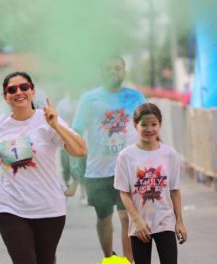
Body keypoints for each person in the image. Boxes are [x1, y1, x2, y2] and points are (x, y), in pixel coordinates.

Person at [0, 72, 86, 264]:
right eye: (12, 89)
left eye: (24, 87)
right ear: (5, 97)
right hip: (10, 206)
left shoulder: (47, 120)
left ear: (32, 91)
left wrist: (56, 125)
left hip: (49, 209)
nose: (19, 92)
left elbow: (80, 150)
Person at [72, 56, 146, 263]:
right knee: (103, 217)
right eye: (109, 68)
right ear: (101, 72)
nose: (114, 71)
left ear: (124, 71)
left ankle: (129, 260)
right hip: (97, 170)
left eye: (118, 68)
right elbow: (76, 132)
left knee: (127, 217)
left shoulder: (136, 97)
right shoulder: (89, 99)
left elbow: (149, 125)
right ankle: (109, 258)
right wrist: (75, 169)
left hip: (129, 170)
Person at [114, 103, 187, 264]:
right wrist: (137, 220)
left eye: (153, 124)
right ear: (135, 125)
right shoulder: (126, 156)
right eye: (144, 124)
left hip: (165, 222)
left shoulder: (169, 154)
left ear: (160, 125)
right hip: (139, 227)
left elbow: (174, 190)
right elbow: (124, 193)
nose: (149, 129)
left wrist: (179, 221)